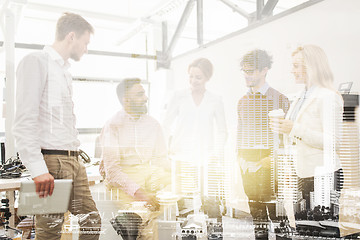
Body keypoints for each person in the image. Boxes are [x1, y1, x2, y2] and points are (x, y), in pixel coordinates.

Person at [12, 13, 101, 239]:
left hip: (73, 160)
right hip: (52, 161)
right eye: (85, 42)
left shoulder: (64, 71)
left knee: (91, 222)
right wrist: (38, 169)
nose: (86, 49)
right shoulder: (36, 62)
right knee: (50, 232)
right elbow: (24, 119)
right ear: (71, 36)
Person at [270, 45, 343, 227]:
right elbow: (294, 136)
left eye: (296, 66)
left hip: (320, 176)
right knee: (302, 229)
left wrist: (294, 129)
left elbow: (333, 142)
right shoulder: (300, 97)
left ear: (312, 66)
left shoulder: (328, 97)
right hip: (299, 175)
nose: (292, 70)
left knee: (320, 229)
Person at [100, 78, 171, 239]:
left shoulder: (154, 125)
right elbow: (113, 172)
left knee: (179, 184)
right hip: (122, 179)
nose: (146, 98)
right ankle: (134, 218)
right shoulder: (112, 125)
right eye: (140, 94)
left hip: (147, 174)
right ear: (126, 100)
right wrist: (142, 194)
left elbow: (161, 159)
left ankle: (131, 218)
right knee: (147, 226)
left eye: (144, 93)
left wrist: (174, 175)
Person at [237, 49, 289, 238]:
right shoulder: (242, 102)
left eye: (250, 71)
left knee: (280, 222)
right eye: (244, 71)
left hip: (270, 168)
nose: (246, 75)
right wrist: (240, 160)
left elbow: (285, 140)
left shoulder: (280, 99)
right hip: (247, 169)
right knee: (258, 224)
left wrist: (268, 162)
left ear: (264, 70)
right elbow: (240, 134)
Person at [162, 58, 227, 198]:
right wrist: (166, 148)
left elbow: (222, 131)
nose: (193, 80)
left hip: (205, 158)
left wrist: (216, 152)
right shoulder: (178, 96)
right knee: (181, 199)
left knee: (208, 200)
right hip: (180, 156)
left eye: (198, 77)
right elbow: (166, 125)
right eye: (190, 76)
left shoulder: (215, 100)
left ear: (207, 78)